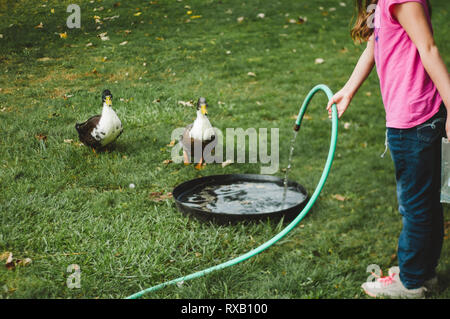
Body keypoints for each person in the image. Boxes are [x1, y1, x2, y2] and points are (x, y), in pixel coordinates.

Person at [326, 0, 450, 298]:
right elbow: (373, 46)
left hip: (414, 121)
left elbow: (429, 48)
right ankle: (423, 274)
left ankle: (411, 283)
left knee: (415, 205)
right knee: (424, 201)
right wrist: (348, 90)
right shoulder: (381, 3)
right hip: (412, 117)